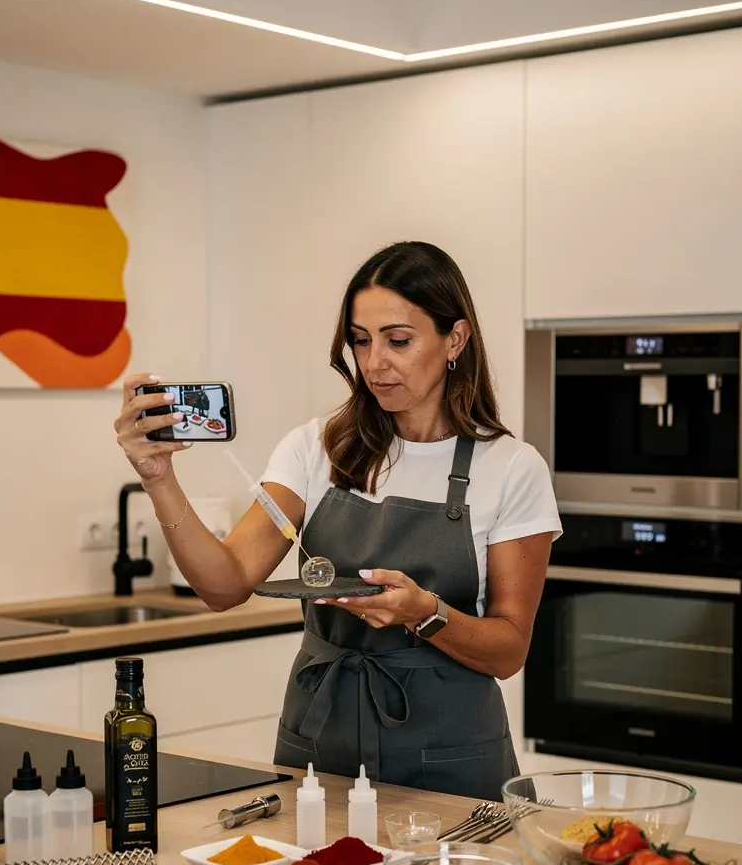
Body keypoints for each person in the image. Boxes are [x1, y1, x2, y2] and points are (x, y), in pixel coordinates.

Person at [115, 241, 561, 798]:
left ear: (455, 339)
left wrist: (424, 614)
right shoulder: (317, 448)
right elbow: (225, 585)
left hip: (452, 759)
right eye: (360, 340)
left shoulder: (511, 468)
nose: (375, 363)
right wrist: (159, 479)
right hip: (320, 749)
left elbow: (509, 649)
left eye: (398, 340)